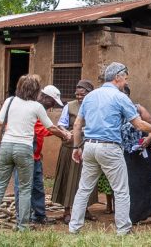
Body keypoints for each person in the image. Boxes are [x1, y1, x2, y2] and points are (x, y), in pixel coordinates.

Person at [68, 62, 151, 235]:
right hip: (109, 148)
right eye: (125, 79)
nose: (126, 83)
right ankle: (123, 230)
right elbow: (139, 124)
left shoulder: (90, 96)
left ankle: (74, 228)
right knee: (121, 190)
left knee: (84, 188)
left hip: (89, 145)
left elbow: (77, 124)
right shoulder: (120, 97)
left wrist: (76, 147)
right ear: (117, 77)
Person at [0, 75, 71, 235]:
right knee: (25, 189)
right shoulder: (36, 107)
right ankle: (22, 227)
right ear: (36, 91)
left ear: (19, 87)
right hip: (24, 149)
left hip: (6, 146)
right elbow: (50, 128)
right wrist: (65, 135)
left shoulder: (10, 101)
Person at [12, 85, 64, 225]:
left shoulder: (40, 110)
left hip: (35, 156)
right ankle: (23, 218)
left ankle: (39, 216)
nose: (52, 106)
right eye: (52, 102)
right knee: (22, 188)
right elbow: (43, 129)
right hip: (23, 155)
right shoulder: (32, 108)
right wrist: (64, 134)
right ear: (44, 97)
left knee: (37, 187)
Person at [52, 80, 98, 224]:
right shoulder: (69, 106)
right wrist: (67, 133)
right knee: (67, 178)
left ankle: (84, 210)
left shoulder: (95, 106)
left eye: (82, 94)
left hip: (87, 147)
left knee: (86, 179)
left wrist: (82, 131)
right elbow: (61, 125)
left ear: (90, 94)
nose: (79, 97)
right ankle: (67, 210)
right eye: (77, 95)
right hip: (70, 147)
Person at [120, 85, 151, 224]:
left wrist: (149, 138)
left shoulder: (137, 108)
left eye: (123, 94)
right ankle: (133, 215)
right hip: (126, 152)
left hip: (143, 150)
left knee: (146, 181)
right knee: (130, 183)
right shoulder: (114, 110)